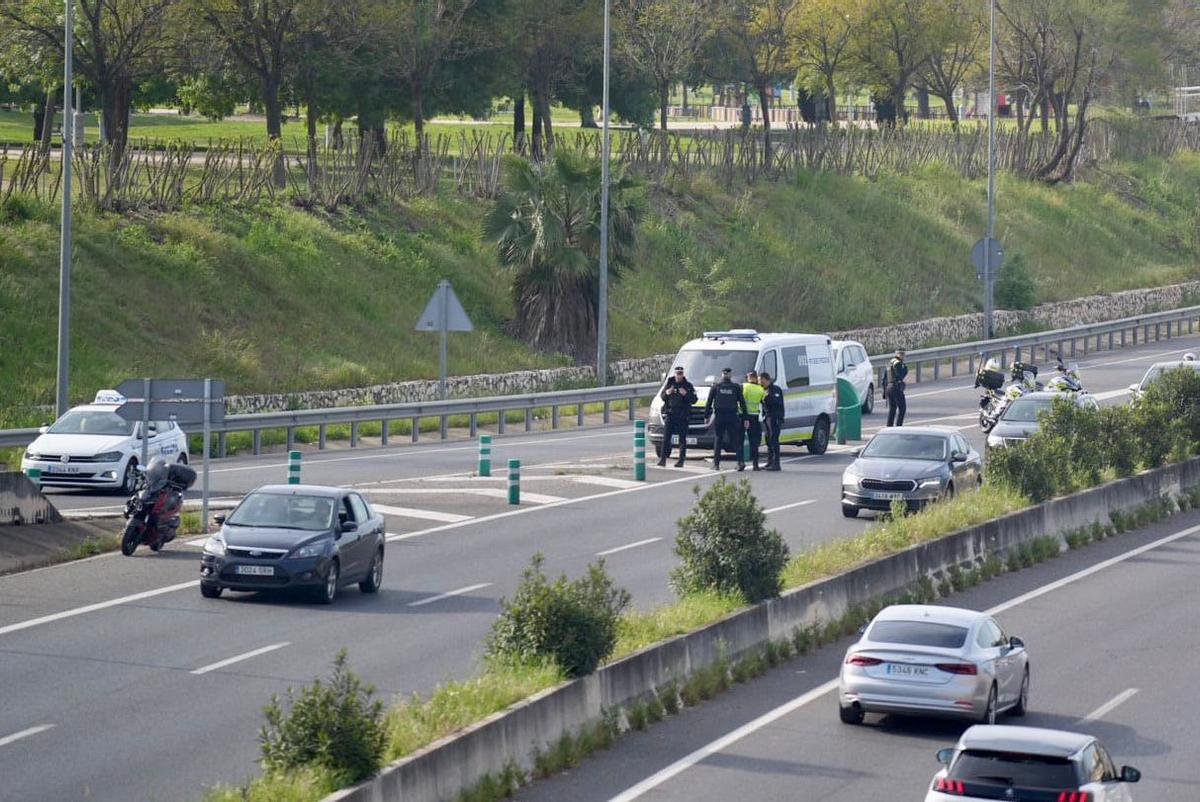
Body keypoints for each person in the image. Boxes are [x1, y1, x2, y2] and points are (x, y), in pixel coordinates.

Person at [704, 367, 748, 471]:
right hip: (732, 416)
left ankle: (716, 464)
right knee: (736, 439)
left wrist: (706, 416)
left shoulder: (716, 387)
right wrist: (746, 418)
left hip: (720, 416)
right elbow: (742, 403)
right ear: (730, 375)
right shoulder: (735, 387)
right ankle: (740, 462)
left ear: (722, 375)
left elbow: (709, 402)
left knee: (718, 439)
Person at [658, 365, 697, 467]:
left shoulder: (687, 385)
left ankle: (681, 460)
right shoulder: (670, 383)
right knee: (666, 438)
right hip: (670, 414)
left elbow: (694, 399)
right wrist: (667, 392)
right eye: (677, 373)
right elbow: (662, 397)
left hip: (682, 415)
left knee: (682, 439)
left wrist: (685, 394)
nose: (679, 375)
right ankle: (663, 459)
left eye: (681, 373)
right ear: (674, 374)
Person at [759, 372, 785, 471]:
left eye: (760, 379)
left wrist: (767, 397)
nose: (759, 382)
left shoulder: (775, 389)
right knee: (768, 440)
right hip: (767, 417)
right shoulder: (763, 390)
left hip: (775, 418)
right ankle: (770, 462)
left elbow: (776, 402)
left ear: (766, 379)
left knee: (774, 440)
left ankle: (776, 464)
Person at [742, 369, 765, 470]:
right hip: (755, 417)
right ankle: (755, 465)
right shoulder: (760, 389)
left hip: (742, 416)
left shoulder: (743, 386)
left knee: (740, 440)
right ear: (755, 378)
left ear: (748, 378)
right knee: (754, 442)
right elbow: (763, 402)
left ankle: (740, 462)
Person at [885, 348, 909, 427]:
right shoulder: (898, 363)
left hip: (889, 387)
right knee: (902, 408)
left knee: (892, 409)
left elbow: (884, 378)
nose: (904, 356)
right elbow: (900, 375)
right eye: (903, 355)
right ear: (902, 355)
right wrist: (905, 369)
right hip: (896, 387)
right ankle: (899, 426)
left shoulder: (890, 363)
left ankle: (889, 426)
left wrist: (884, 391)